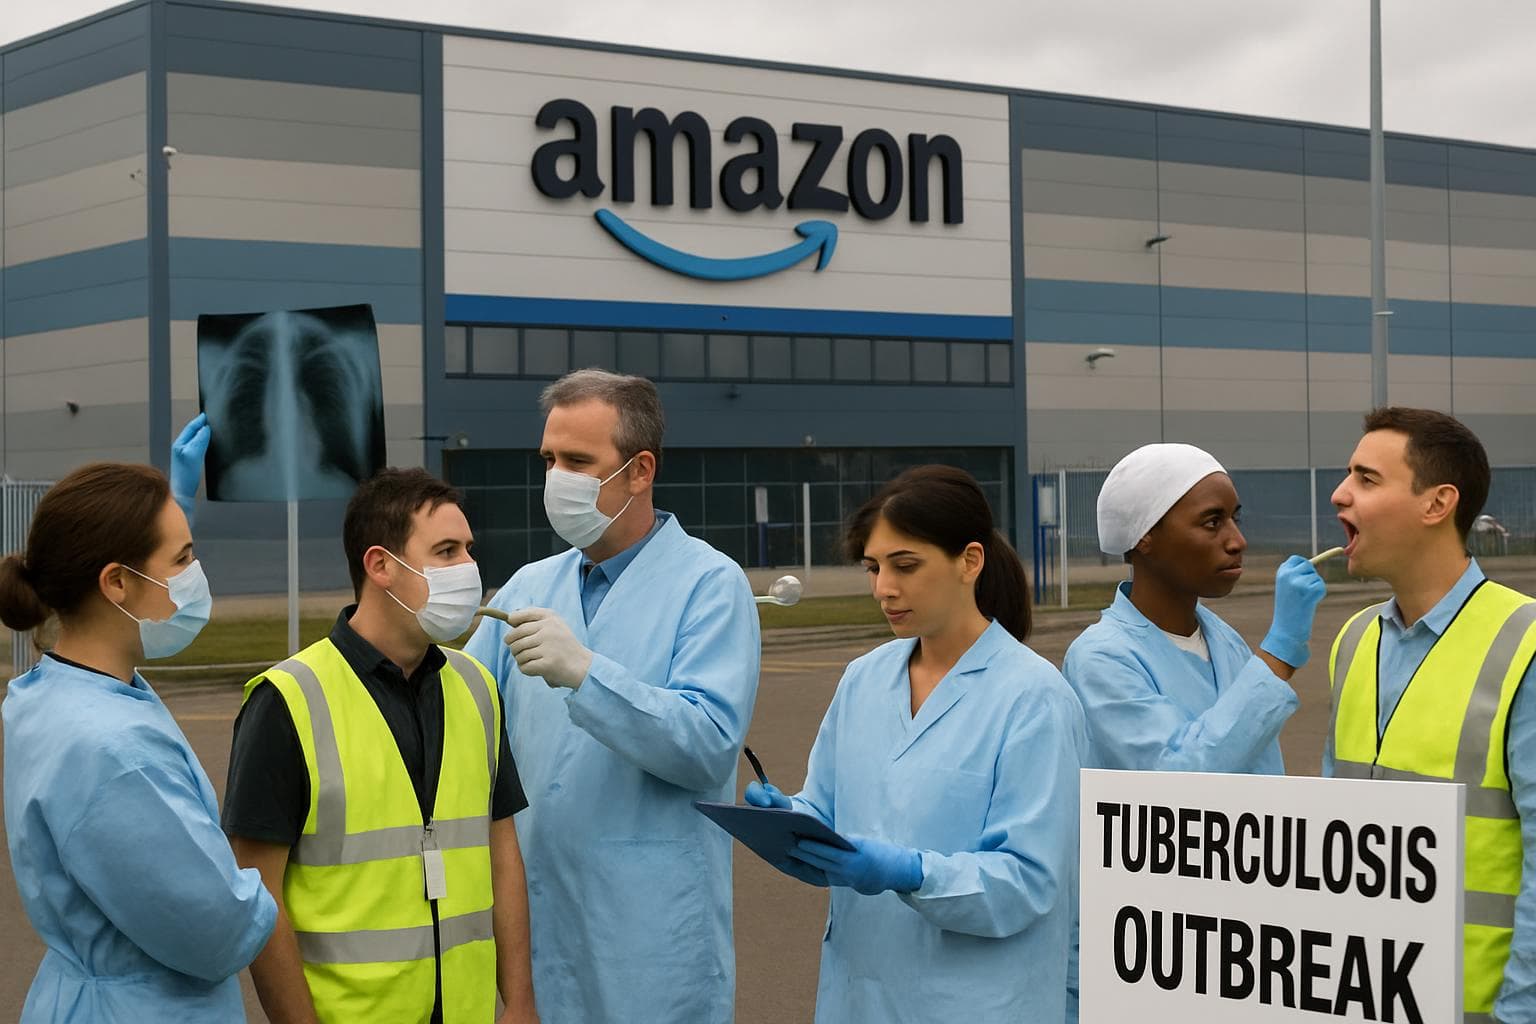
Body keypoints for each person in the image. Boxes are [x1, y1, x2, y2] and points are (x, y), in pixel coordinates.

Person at [465, 368, 759, 1023]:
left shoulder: (710, 585)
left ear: (639, 470)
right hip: (535, 927)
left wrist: (585, 674)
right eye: (548, 460)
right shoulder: (525, 589)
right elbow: (464, 727)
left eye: (577, 461)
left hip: (652, 940)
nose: (556, 479)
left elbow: (708, 746)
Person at [743, 464, 1086, 1024]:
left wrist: (913, 872)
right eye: (874, 568)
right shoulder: (863, 679)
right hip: (860, 991)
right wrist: (792, 822)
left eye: (905, 566)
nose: (884, 588)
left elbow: (1029, 882)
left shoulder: (1034, 697)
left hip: (979, 1002)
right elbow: (828, 808)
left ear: (969, 562)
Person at [221, 468, 537, 1024]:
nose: (467, 568)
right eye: (445, 550)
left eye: (468, 549)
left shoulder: (477, 687)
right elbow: (258, 896)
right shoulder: (288, 701)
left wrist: (520, 1000)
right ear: (380, 565)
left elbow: (502, 854)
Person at [0, 439, 277, 1020]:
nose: (194, 577)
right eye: (181, 561)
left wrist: (173, 510)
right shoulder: (113, 749)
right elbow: (216, 933)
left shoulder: (50, 690)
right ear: (116, 584)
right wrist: (263, 884)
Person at [1325, 407, 1536, 1023]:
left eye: (1366, 479)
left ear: (1437, 503)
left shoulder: (1524, 645)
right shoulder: (1354, 640)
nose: (1340, 494)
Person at [1063, 443, 1327, 774]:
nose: (1238, 541)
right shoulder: (1101, 658)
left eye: (1235, 518)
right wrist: (1280, 651)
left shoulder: (1224, 641)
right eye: (1212, 522)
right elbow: (1180, 779)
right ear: (1144, 536)